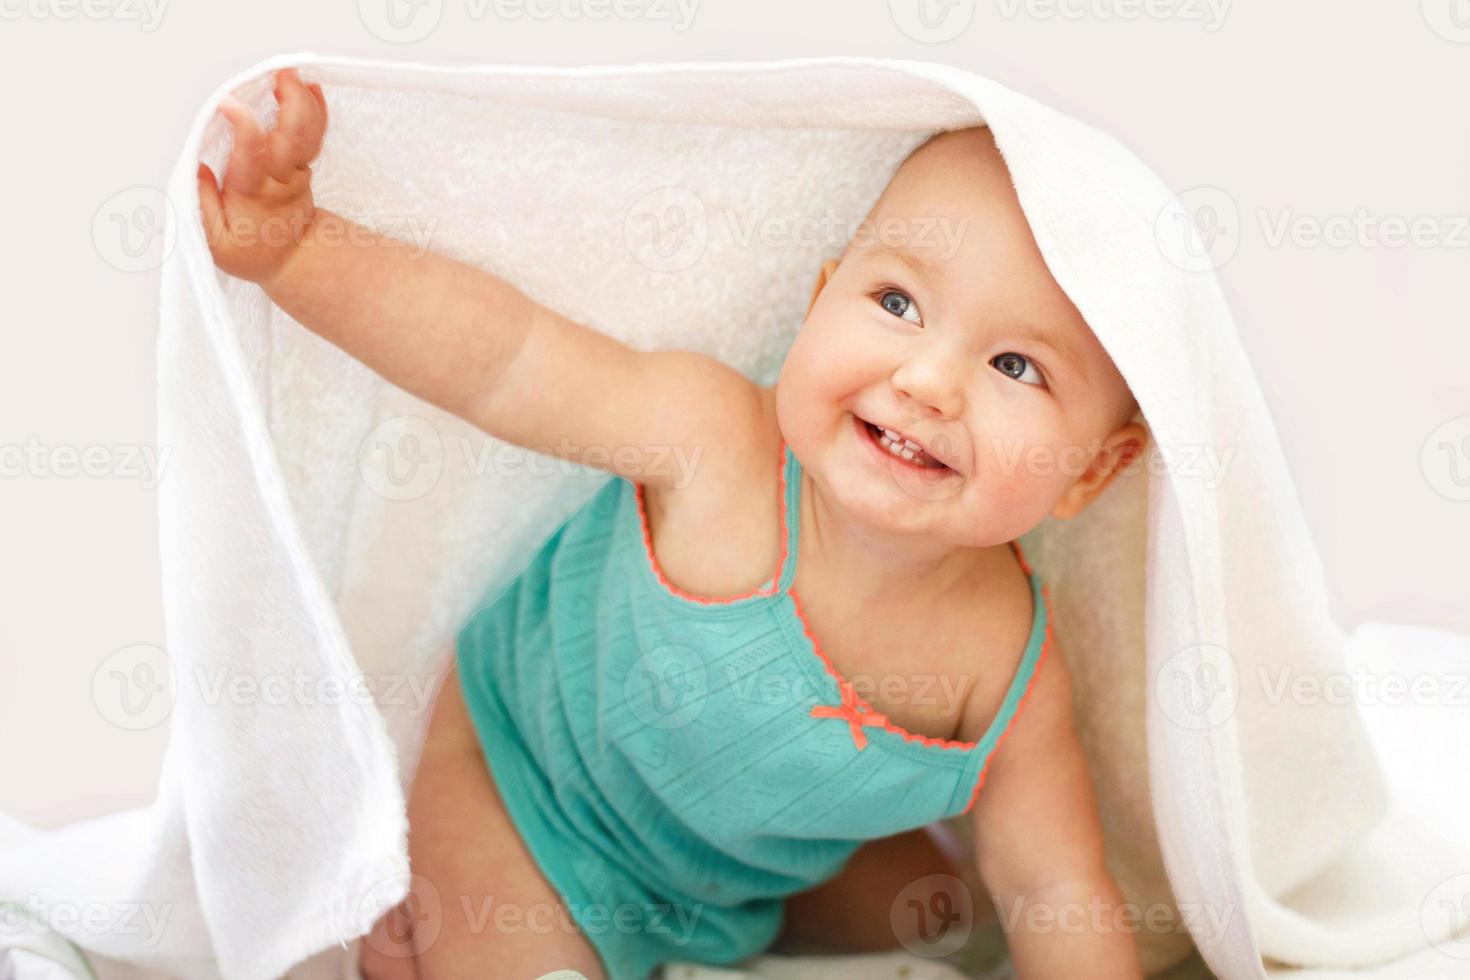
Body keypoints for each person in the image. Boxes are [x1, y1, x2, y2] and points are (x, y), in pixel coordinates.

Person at [198, 67, 1147, 980]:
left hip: (724, 888)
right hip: (517, 794)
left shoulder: (1008, 669)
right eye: (897, 304)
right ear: (820, 305)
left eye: (1016, 367)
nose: (927, 381)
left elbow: (1053, 883)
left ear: (1090, 470)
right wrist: (297, 248)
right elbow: (504, 359)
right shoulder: (713, 445)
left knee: (953, 914)